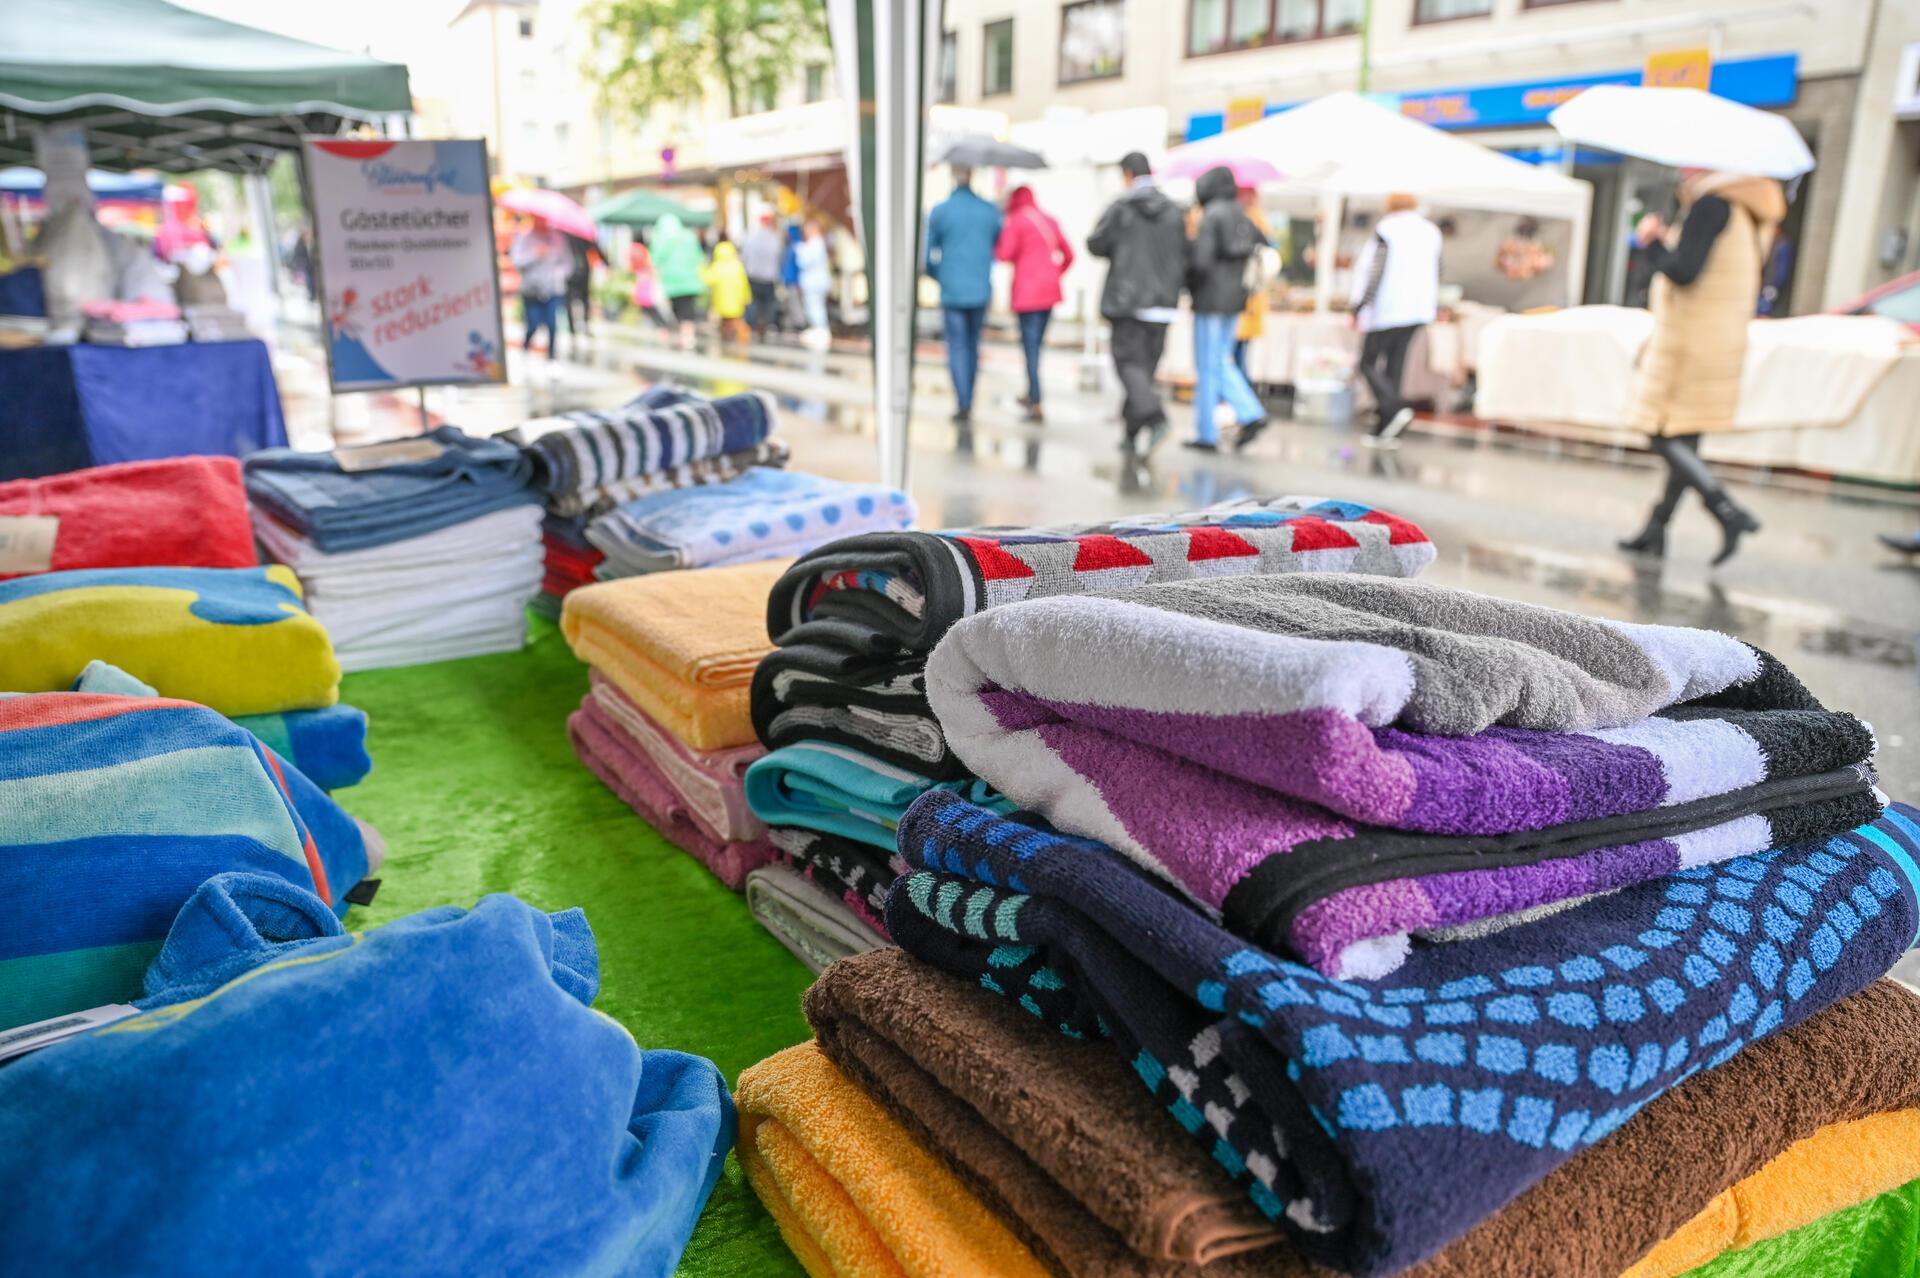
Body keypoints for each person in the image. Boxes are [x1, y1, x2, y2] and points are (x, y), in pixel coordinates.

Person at [1617, 169, 1784, 566]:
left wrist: (1652, 244)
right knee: (1685, 437)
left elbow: (1683, 272)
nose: (1682, 173)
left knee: (1659, 431)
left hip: (1690, 340)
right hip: (1719, 338)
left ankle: (1727, 510)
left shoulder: (1710, 205)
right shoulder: (1746, 210)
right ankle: (1656, 529)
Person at [1087, 151, 1187, 458]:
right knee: (1142, 370)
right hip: (1163, 304)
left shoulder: (1122, 208)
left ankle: (1156, 419)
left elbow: (1096, 243)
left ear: (1128, 173)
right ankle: (1131, 435)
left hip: (1128, 301)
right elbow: (1185, 252)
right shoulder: (1174, 211)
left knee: (1129, 366)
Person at [1186, 164, 1268, 454]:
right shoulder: (1242, 216)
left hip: (1210, 300)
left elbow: (1202, 263)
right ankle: (1248, 413)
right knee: (1222, 360)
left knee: (1209, 365)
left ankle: (1209, 432)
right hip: (1237, 300)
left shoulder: (1212, 216)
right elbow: (1265, 247)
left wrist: (1188, 279)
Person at [1349, 192, 1442, 449]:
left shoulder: (1387, 230)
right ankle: (1386, 428)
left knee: (1368, 362)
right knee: (1395, 365)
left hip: (1388, 307)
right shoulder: (1430, 231)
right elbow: (1438, 268)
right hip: (1419, 308)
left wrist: (1359, 305)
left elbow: (1374, 270)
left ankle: (1394, 408)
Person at [923, 165, 1002, 424]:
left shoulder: (942, 211)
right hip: (980, 288)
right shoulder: (989, 211)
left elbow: (926, 257)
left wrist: (940, 275)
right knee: (972, 344)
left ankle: (963, 401)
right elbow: (997, 247)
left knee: (957, 345)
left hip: (953, 290)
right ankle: (969, 398)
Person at [994, 186, 1073, 423]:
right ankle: (1031, 392)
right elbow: (1069, 255)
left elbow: (1004, 254)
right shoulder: (1049, 220)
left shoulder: (1017, 222)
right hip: (1048, 293)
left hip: (1028, 294)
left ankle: (1036, 398)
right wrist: (1054, 274)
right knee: (1036, 346)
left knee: (1030, 348)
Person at [509, 216, 572, 359]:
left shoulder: (558, 239)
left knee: (552, 324)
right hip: (532, 290)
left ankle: (552, 357)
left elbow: (568, 263)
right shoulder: (524, 238)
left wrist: (559, 274)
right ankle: (525, 349)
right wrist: (535, 254)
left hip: (553, 289)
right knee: (533, 324)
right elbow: (517, 262)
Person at [649, 213, 706, 349]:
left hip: (671, 282)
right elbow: (699, 258)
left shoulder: (660, 238)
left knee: (676, 309)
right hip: (691, 281)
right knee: (688, 309)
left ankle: (679, 335)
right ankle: (688, 336)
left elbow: (654, 261)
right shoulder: (688, 236)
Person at [1234, 187, 1274, 381]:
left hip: (1246, 299)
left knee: (1236, 354)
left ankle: (1241, 400)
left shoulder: (1249, 222)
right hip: (1252, 299)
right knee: (1240, 352)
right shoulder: (1260, 221)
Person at [741, 213, 786, 336]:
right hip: (768, 276)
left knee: (753, 302)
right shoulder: (774, 239)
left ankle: (753, 325)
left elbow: (744, 256)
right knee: (768, 303)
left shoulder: (751, 237)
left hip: (753, 275)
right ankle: (766, 324)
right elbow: (779, 257)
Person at [702, 237, 752, 346]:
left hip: (721, 302)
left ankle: (726, 339)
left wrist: (702, 268)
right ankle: (737, 340)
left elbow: (707, 280)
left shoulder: (717, 266)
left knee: (725, 321)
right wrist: (747, 297)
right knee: (735, 321)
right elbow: (744, 284)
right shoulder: (738, 266)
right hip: (736, 302)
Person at [794, 219, 833, 343]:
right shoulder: (817, 243)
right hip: (815, 281)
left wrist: (800, 250)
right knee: (814, 306)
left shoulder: (815, 244)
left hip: (814, 282)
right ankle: (818, 329)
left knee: (815, 307)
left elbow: (804, 262)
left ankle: (820, 330)